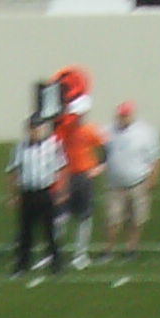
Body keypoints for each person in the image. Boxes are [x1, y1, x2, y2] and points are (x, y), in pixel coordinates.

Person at [9, 117, 67, 276]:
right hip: (27, 192)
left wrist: (61, 192)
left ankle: (56, 263)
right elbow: (14, 171)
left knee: (49, 230)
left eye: (37, 128)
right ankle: (22, 265)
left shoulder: (52, 146)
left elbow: (61, 168)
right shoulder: (19, 148)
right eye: (32, 129)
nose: (35, 132)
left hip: (45, 192)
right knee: (25, 231)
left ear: (42, 129)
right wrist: (13, 195)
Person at [103, 103, 160, 255]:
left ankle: (131, 248)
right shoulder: (108, 131)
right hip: (115, 184)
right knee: (113, 219)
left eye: (126, 115)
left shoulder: (146, 132)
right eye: (121, 115)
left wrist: (153, 178)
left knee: (136, 219)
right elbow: (102, 153)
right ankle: (108, 248)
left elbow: (156, 157)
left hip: (138, 182)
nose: (123, 118)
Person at [56, 96, 107, 268]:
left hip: (84, 177)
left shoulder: (91, 130)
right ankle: (55, 252)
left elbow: (105, 151)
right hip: (67, 176)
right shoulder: (65, 129)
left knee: (84, 216)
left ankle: (80, 254)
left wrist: (98, 168)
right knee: (61, 216)